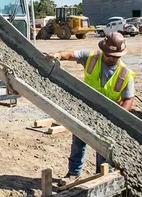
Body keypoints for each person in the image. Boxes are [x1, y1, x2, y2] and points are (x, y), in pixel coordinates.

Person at [50, 31, 136, 186]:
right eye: (109, 54)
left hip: (107, 117)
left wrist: (119, 117)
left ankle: (102, 177)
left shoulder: (125, 74)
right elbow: (69, 54)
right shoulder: (92, 58)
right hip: (86, 109)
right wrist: (56, 55)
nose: (111, 58)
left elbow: (129, 99)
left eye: (115, 56)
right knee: (78, 141)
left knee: (104, 148)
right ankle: (73, 173)